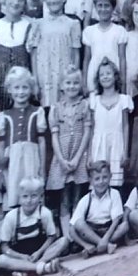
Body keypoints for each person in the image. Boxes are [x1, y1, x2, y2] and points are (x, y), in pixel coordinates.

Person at [46, 64, 91, 243]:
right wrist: (62, 159)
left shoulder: (84, 106)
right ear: (61, 86)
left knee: (77, 197)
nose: (71, 86)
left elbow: (87, 133)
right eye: (68, 83)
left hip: (79, 156)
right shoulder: (56, 108)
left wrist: (78, 157)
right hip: (62, 157)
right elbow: (54, 136)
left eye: (75, 83)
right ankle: (67, 238)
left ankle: (77, 234)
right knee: (64, 198)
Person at [0, 176, 67, 276]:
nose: (29, 201)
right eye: (25, 196)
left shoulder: (44, 213)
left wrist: (39, 252)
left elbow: (52, 237)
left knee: (64, 241)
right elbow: (4, 247)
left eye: (33, 196)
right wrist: (21, 256)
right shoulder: (11, 217)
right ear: (19, 198)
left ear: (40, 197)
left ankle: (27, 271)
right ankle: (42, 267)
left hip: (40, 253)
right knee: (0, 260)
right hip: (20, 256)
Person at [0, 66, 47, 210]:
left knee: (32, 190)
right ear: (9, 89)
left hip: (31, 157)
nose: (21, 92)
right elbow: (1, 144)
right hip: (11, 159)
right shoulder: (4, 115)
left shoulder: (37, 112)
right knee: (14, 189)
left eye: (25, 87)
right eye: (16, 87)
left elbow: (42, 142)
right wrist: (1, 169)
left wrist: (42, 169)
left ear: (31, 89)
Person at [28, 0, 81, 108]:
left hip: (64, 74)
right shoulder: (38, 24)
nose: (53, 0)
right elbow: (33, 55)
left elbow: (76, 54)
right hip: (44, 74)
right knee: (46, 110)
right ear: (44, 0)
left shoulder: (72, 24)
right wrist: (35, 80)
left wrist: (74, 76)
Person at [88, 58, 132, 188]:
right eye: (101, 74)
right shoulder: (94, 101)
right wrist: (89, 154)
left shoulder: (123, 100)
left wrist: (125, 151)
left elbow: (125, 126)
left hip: (117, 144)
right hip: (99, 144)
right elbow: (92, 128)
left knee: (115, 183)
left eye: (108, 73)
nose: (105, 77)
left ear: (115, 76)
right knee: (99, 180)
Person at [70, 160, 127, 256]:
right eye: (97, 179)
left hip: (108, 231)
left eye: (105, 177)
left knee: (124, 226)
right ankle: (103, 246)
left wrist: (105, 239)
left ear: (110, 177)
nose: (101, 182)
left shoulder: (114, 194)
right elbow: (71, 228)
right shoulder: (86, 199)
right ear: (90, 181)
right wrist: (84, 244)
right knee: (79, 223)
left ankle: (97, 248)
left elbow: (116, 221)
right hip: (91, 232)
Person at [82, 0, 127, 94]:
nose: (103, 9)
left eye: (107, 6)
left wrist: (123, 86)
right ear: (95, 7)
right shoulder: (89, 31)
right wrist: (84, 84)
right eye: (100, 5)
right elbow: (86, 59)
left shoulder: (119, 31)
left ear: (113, 8)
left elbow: (122, 59)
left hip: (113, 78)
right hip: (94, 76)